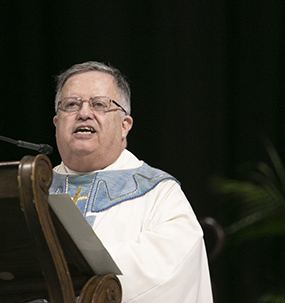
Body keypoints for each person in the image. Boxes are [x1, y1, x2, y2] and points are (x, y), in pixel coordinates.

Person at [50, 61, 213, 302]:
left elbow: (170, 270)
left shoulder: (159, 193)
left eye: (99, 104)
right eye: (71, 105)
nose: (83, 113)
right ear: (56, 124)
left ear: (125, 126)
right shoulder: (31, 190)